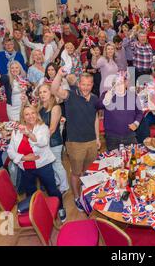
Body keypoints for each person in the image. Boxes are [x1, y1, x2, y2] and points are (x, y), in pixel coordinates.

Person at [51, 70, 100, 212]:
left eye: (88, 85)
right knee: (76, 173)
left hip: (91, 141)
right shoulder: (70, 95)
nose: (85, 87)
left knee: (88, 171)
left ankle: (86, 195)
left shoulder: (95, 98)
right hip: (75, 142)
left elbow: (95, 118)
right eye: (83, 84)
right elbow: (54, 89)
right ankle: (77, 197)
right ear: (79, 84)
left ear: (92, 85)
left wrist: (97, 137)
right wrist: (59, 74)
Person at [7, 105, 66, 222]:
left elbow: (43, 142)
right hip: (25, 167)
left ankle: (60, 208)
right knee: (30, 193)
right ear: (23, 117)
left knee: (52, 189)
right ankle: (37, 213)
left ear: (36, 114)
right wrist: (23, 158)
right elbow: (10, 151)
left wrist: (28, 134)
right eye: (27, 114)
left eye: (33, 113)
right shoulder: (16, 131)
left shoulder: (43, 127)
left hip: (43, 165)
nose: (30, 116)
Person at [38, 84, 69, 194]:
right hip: (46, 142)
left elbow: (51, 129)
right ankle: (56, 182)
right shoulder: (41, 108)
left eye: (44, 92)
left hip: (54, 142)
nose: (42, 94)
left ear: (50, 92)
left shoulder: (56, 107)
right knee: (51, 165)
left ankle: (65, 186)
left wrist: (39, 141)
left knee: (57, 164)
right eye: (40, 92)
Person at [98, 74, 143, 151]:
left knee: (133, 158)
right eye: (116, 83)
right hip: (112, 136)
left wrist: (136, 123)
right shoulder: (107, 94)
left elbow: (139, 112)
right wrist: (106, 100)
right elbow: (98, 105)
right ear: (113, 85)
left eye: (121, 83)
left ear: (126, 83)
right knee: (114, 161)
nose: (119, 86)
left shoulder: (133, 96)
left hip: (130, 135)